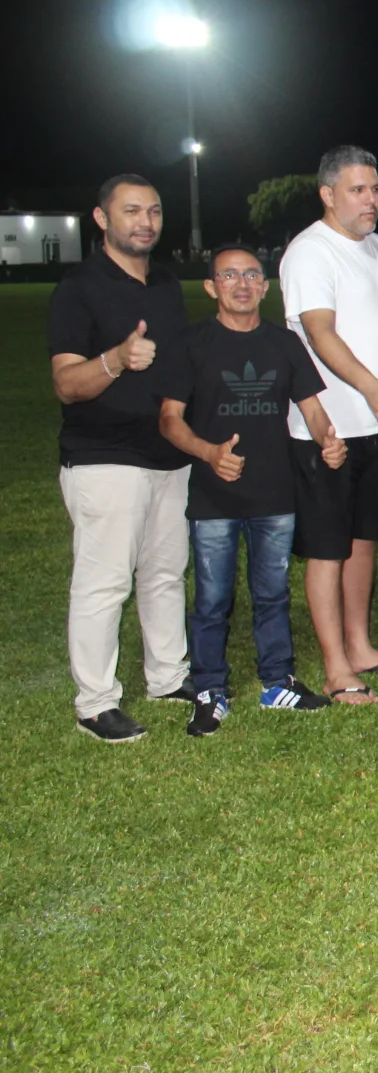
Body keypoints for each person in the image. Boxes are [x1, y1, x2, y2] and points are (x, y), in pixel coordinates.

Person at [158, 245, 344, 733]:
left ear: (264, 286)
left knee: (272, 593)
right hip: (213, 497)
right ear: (211, 287)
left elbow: (311, 408)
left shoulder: (284, 343)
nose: (241, 284)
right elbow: (169, 419)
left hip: (274, 493)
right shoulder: (192, 343)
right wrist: (209, 453)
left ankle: (277, 682)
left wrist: (328, 440)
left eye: (250, 275)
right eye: (229, 275)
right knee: (212, 599)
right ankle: (209, 689)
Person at [48, 174, 196, 741]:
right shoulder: (79, 287)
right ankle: (95, 703)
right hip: (104, 455)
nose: (145, 222)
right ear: (102, 218)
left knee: (164, 574)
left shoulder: (165, 284)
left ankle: (168, 676)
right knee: (105, 581)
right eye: (131, 211)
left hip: (168, 453)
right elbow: (66, 384)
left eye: (153, 211)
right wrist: (116, 358)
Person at [279, 146, 378, 705]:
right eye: (358, 190)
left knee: (364, 538)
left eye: (375, 189)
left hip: (375, 422)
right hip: (327, 427)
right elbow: (320, 334)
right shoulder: (310, 252)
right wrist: (372, 389)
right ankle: (336, 668)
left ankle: (359, 645)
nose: (370, 200)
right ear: (327, 194)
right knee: (327, 547)